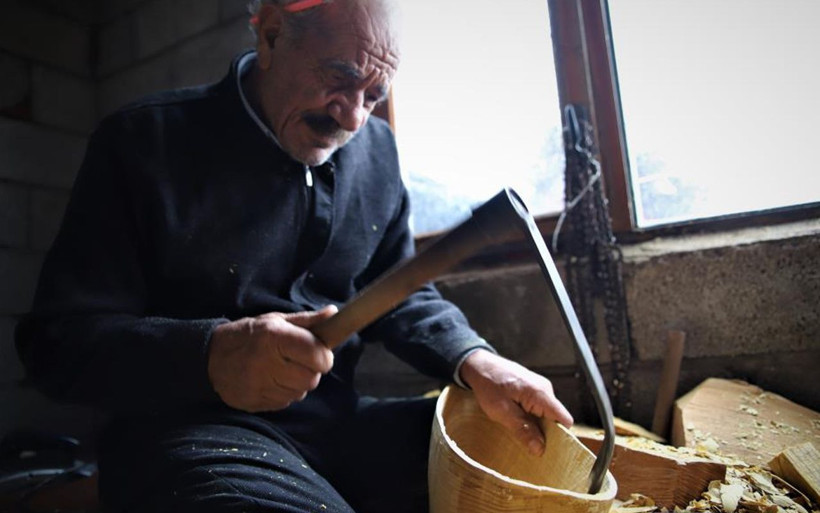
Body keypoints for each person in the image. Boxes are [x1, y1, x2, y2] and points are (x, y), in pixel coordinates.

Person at [15, 0, 573, 511]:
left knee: (524, 459)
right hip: (192, 431)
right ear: (273, 34)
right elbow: (57, 345)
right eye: (340, 79)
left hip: (337, 423)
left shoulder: (377, 153)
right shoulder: (144, 141)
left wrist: (475, 360)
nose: (354, 118)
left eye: (374, 95)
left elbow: (400, 291)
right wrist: (209, 356)